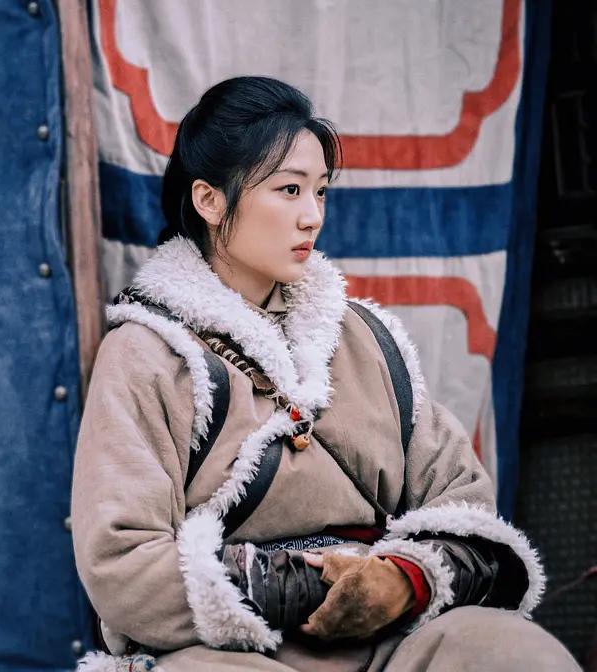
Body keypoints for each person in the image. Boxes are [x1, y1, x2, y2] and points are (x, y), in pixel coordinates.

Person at [70, 76, 580, 672]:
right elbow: (122, 561)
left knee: (512, 653)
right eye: (289, 189)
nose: (312, 216)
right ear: (210, 201)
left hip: (392, 636)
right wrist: (313, 586)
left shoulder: (366, 337)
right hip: (232, 649)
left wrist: (402, 581)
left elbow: (463, 507)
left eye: (320, 191)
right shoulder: (146, 353)